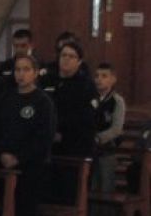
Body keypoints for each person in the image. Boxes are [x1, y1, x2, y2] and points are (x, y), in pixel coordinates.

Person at [0, 54, 55, 216]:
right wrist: (1, 153)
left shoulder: (43, 102)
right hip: (5, 163)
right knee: (6, 207)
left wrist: (19, 157)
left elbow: (43, 137)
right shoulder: (6, 97)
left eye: (26, 70)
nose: (21, 74)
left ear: (35, 73)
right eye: (18, 70)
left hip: (31, 166)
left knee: (27, 208)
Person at [44, 40, 97, 158]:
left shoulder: (86, 86)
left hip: (75, 146)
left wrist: (63, 134)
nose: (66, 59)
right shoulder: (47, 80)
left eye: (71, 56)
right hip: (48, 144)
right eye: (63, 55)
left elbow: (86, 118)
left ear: (79, 61)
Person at [92, 63, 126, 194]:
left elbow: (117, 128)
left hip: (107, 150)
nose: (99, 79)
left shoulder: (117, 101)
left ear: (113, 79)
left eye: (104, 76)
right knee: (91, 188)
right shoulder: (90, 98)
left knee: (106, 189)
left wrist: (98, 138)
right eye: (97, 76)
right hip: (90, 149)